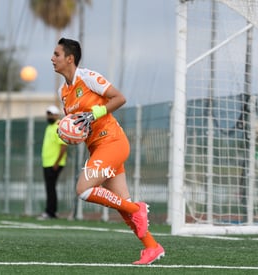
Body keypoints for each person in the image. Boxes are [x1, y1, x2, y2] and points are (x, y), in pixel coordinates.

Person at [50, 37, 165, 265]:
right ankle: (152, 247)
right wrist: (66, 132)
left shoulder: (88, 77)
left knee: (83, 189)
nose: (52, 59)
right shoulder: (64, 92)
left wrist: (94, 114)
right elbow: (77, 126)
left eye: (57, 54)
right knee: (122, 205)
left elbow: (119, 98)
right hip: (97, 148)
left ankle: (138, 208)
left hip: (112, 142)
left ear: (70, 58)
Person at [38, 105, 68, 220]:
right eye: (48, 114)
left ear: (57, 115)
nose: (49, 116)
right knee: (50, 187)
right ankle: (51, 211)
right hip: (47, 163)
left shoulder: (58, 126)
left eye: (51, 114)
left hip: (54, 164)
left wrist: (56, 162)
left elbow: (63, 146)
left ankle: (51, 212)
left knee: (51, 188)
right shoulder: (49, 127)